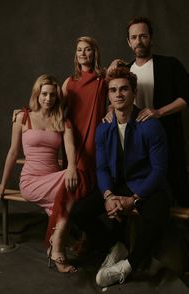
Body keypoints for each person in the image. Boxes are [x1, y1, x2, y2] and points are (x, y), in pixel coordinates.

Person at [107, 16, 189, 277]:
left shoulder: (168, 65)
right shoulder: (128, 70)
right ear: (128, 42)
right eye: (134, 37)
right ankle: (136, 252)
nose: (139, 41)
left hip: (169, 144)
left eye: (143, 36)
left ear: (151, 38)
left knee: (182, 194)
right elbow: (116, 98)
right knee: (141, 197)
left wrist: (158, 111)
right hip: (137, 149)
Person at [0, 74, 88, 273]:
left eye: (52, 95)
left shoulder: (62, 119)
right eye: (44, 94)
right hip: (31, 182)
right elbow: (13, 152)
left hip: (55, 181)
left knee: (67, 198)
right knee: (67, 200)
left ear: (57, 97)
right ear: (37, 94)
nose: (48, 99)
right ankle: (58, 243)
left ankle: (56, 248)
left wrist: (71, 166)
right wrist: (3, 184)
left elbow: (70, 148)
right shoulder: (22, 117)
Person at [95, 67, 170, 287]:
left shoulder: (151, 125)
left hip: (144, 185)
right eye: (113, 90)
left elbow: (159, 170)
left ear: (134, 92)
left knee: (158, 215)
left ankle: (127, 265)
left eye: (124, 89)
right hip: (116, 185)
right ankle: (115, 246)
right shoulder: (103, 128)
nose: (118, 94)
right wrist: (109, 195)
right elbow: (101, 168)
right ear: (108, 96)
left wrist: (133, 199)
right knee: (79, 209)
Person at [62, 36, 108, 252]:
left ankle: (94, 240)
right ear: (76, 54)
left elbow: (118, 100)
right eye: (79, 49)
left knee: (88, 193)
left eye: (87, 49)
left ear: (94, 53)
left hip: (94, 142)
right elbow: (52, 109)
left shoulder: (103, 78)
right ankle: (84, 238)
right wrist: (28, 112)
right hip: (73, 141)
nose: (83, 53)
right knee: (74, 193)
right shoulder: (69, 82)